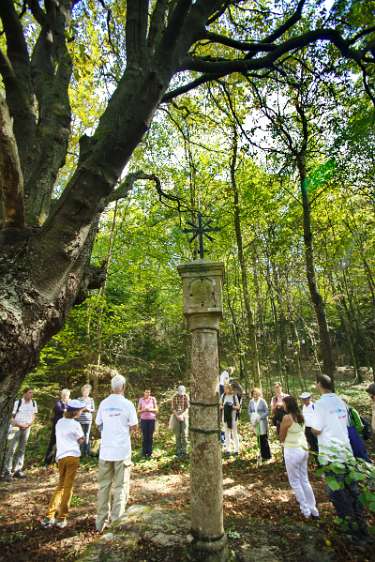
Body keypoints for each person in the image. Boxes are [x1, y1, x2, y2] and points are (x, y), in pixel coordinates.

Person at [311, 374, 368, 544]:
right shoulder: (341, 402)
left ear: (319, 385)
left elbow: (317, 430)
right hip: (346, 452)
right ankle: (362, 527)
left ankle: (351, 533)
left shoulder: (319, 405)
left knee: (338, 494)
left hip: (331, 456)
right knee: (353, 491)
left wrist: (312, 428)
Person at [95, 373, 138, 533]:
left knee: (104, 486)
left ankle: (100, 523)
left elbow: (98, 423)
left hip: (106, 450)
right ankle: (116, 523)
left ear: (111, 388)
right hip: (122, 451)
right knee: (120, 486)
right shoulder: (127, 404)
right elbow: (134, 426)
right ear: (124, 388)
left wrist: (108, 431)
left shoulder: (103, 403)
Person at [41, 399, 86, 528]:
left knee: (60, 486)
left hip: (60, 457)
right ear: (76, 412)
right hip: (72, 457)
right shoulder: (76, 425)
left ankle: (49, 516)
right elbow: (81, 440)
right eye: (80, 411)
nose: (81, 413)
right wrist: (80, 439)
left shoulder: (60, 422)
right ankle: (62, 517)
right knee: (68, 487)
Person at [279, 396, 319, 518]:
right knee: (304, 479)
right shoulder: (300, 415)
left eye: (284, 404)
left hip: (292, 450)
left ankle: (305, 510)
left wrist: (282, 442)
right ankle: (313, 508)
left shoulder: (287, 418)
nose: (283, 406)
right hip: (303, 449)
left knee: (295, 481)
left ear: (288, 405)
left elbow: (281, 435)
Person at [2, 388, 38, 481]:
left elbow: (34, 415)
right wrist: (19, 425)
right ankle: (7, 472)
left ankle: (18, 470)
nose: (31, 395)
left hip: (27, 428)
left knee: (22, 449)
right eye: (30, 393)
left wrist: (29, 424)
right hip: (16, 428)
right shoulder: (17, 403)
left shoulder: (33, 403)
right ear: (24, 393)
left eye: (32, 393)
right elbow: (11, 417)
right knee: (11, 450)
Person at [44, 388, 71, 467]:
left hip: (66, 428)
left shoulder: (69, 404)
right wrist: (67, 409)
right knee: (52, 444)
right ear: (62, 396)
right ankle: (47, 462)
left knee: (62, 445)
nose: (66, 397)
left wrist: (68, 407)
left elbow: (72, 411)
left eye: (67, 395)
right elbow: (60, 410)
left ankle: (59, 462)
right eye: (65, 395)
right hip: (57, 428)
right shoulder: (58, 403)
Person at [248, 387, 271, 464]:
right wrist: (253, 416)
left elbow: (267, 411)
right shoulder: (251, 402)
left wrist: (260, 417)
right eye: (254, 393)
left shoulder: (262, 401)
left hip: (262, 422)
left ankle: (267, 456)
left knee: (263, 438)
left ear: (259, 394)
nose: (255, 395)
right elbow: (249, 411)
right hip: (255, 422)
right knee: (258, 438)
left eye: (256, 393)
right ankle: (260, 454)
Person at [220, 383, 240, 457]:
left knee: (234, 433)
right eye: (224, 388)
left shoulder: (234, 396)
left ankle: (236, 450)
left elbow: (238, 407)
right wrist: (224, 407)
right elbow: (220, 405)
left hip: (233, 418)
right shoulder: (223, 396)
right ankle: (228, 449)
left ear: (230, 388)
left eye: (226, 388)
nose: (224, 390)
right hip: (225, 417)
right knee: (226, 433)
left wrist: (231, 407)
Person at [138, 389, 158, 458]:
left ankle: (150, 453)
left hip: (151, 420)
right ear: (144, 392)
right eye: (146, 392)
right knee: (144, 436)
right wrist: (143, 410)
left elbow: (156, 410)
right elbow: (138, 410)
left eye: (149, 392)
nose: (148, 393)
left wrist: (150, 410)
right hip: (143, 420)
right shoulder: (141, 399)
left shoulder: (153, 399)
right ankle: (144, 453)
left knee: (150, 436)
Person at [170, 385, 189, 458]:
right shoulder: (174, 397)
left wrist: (183, 415)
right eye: (180, 392)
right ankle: (178, 451)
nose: (181, 394)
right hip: (176, 416)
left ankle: (185, 451)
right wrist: (177, 416)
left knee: (184, 434)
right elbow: (173, 408)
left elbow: (187, 408)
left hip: (184, 416)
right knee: (177, 434)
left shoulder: (186, 396)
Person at [299, 392, 319, 460]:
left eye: (305, 399)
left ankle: (322, 463)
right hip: (307, 429)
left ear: (309, 398)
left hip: (314, 428)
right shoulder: (303, 407)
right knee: (312, 446)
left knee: (317, 446)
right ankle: (317, 461)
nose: (304, 401)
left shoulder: (314, 406)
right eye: (303, 399)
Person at [77, 384, 95, 456]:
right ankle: (80, 452)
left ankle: (86, 453)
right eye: (85, 391)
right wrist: (82, 409)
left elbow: (93, 409)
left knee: (87, 435)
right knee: (81, 435)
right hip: (80, 419)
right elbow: (76, 408)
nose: (86, 392)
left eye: (87, 391)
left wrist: (89, 409)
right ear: (82, 391)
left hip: (88, 419)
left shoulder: (91, 399)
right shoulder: (79, 399)